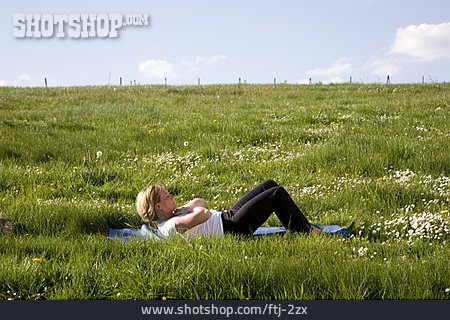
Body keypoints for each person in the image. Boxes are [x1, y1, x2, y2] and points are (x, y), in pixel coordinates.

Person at [136, 179, 312, 238]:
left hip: (227, 217)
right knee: (276, 194)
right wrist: (190, 211)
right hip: (233, 228)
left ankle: (301, 226)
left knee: (269, 185)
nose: (172, 196)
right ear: (158, 206)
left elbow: (200, 201)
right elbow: (203, 213)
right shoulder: (170, 226)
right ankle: (305, 231)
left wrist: (186, 207)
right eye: (167, 196)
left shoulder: (175, 214)